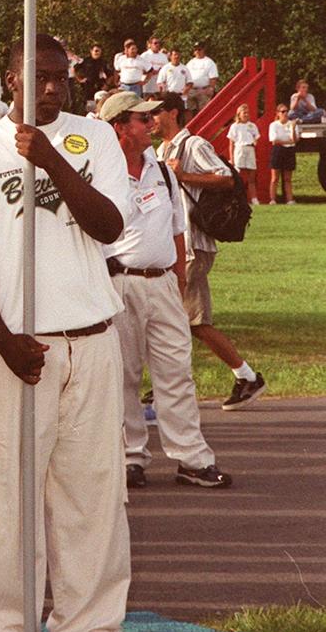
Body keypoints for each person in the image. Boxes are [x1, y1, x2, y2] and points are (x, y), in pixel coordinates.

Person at [0, 34, 149, 632]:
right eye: (40, 77)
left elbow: (110, 226)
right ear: (11, 79)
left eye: (61, 77)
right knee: (4, 495)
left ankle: (87, 631)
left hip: (90, 335)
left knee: (93, 494)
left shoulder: (95, 139)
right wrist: (0, 340)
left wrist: (53, 161)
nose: (53, 88)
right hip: (16, 347)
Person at [99, 92, 231, 490]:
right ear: (121, 127)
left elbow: (177, 227)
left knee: (176, 372)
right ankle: (129, 458)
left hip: (163, 284)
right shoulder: (100, 174)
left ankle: (192, 459)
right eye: (141, 119)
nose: (151, 123)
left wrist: (177, 276)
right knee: (123, 374)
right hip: (119, 282)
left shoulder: (163, 170)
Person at [152, 93, 267, 409]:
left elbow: (226, 178)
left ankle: (245, 377)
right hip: (180, 247)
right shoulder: (164, 149)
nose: (152, 118)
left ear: (174, 112)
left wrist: (183, 175)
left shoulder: (194, 145)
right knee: (179, 319)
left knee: (192, 321)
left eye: (157, 111)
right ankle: (169, 383)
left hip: (194, 246)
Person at [227, 104, 260, 205]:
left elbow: (257, 136)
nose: (246, 114)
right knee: (238, 174)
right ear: (239, 114)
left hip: (250, 149)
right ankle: (236, 198)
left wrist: (255, 141)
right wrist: (232, 158)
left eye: (247, 113)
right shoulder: (235, 126)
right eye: (244, 113)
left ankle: (254, 199)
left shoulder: (252, 125)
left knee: (251, 175)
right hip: (240, 149)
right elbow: (231, 143)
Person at [268, 105, 297, 205]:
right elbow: (274, 140)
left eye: (286, 111)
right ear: (278, 113)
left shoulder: (292, 124)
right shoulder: (274, 125)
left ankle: (289, 199)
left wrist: (292, 129)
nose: (285, 113)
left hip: (289, 151)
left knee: (287, 178)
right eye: (283, 111)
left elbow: (294, 139)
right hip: (278, 151)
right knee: (275, 178)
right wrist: (287, 141)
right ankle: (272, 199)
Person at [73, 43, 111, 110]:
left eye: (99, 51)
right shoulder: (85, 61)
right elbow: (74, 69)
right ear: (91, 51)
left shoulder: (103, 62)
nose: (97, 53)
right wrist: (79, 80)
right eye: (95, 51)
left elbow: (110, 75)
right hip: (88, 87)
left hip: (100, 87)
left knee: (101, 107)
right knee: (89, 108)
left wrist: (107, 85)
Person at [185, 44, 219, 116]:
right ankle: (190, 127)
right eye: (196, 50)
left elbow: (213, 77)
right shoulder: (190, 63)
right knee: (189, 111)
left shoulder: (209, 62)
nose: (197, 51)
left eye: (199, 49)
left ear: (203, 50)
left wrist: (211, 88)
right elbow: (185, 76)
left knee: (203, 112)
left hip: (204, 90)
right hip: (191, 90)